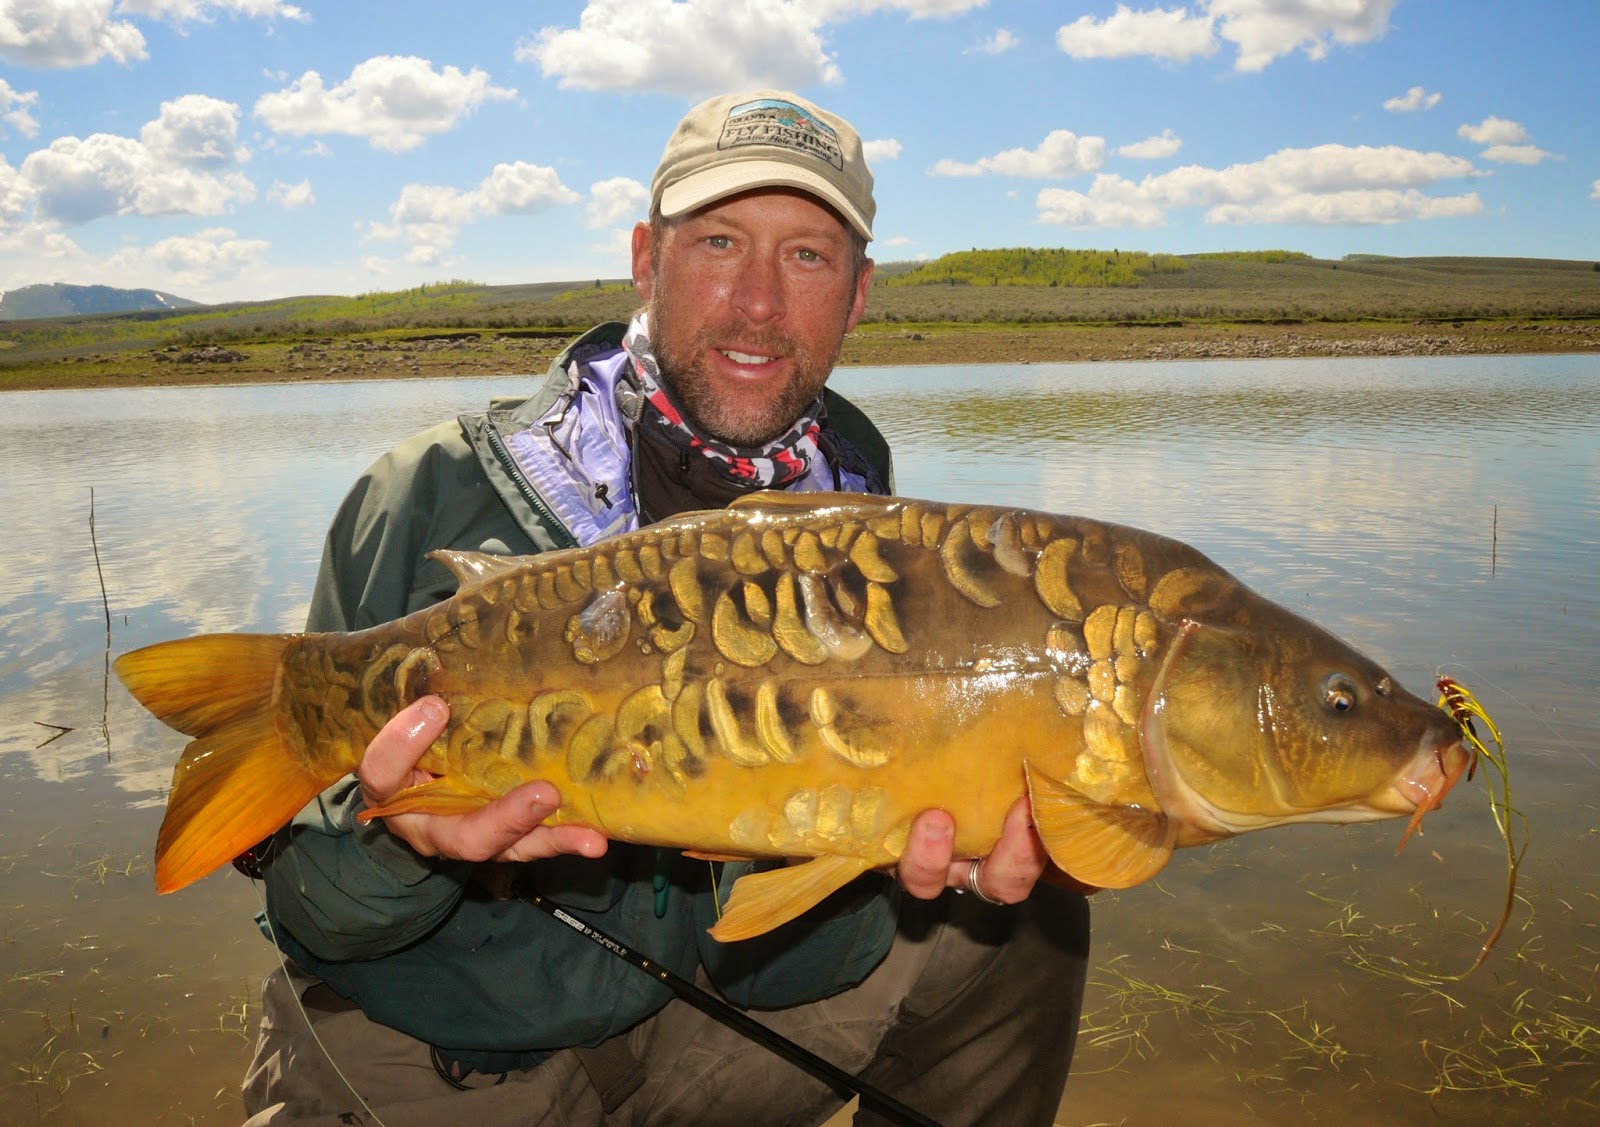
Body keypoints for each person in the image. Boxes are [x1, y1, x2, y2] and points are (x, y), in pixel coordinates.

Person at [241, 90, 1090, 1127]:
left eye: (809, 257)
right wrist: (403, 840)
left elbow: (772, 927)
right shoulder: (426, 495)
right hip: (436, 1057)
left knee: (1022, 921)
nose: (759, 304)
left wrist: (894, 847)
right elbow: (310, 914)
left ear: (859, 294)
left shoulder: (879, 543)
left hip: (708, 1024)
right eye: (721, 242)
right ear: (646, 259)